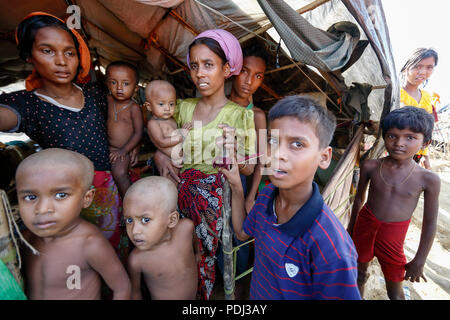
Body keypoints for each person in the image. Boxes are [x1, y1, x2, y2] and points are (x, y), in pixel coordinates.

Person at [0, 12, 126, 255]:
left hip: (105, 189)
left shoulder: (94, 93)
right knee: (77, 258)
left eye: (69, 52)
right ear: (29, 56)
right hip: (63, 197)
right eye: (47, 51)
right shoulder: (29, 104)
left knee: (111, 254)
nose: (61, 61)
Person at [220, 96, 361, 300]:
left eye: (297, 144)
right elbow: (242, 233)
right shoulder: (267, 195)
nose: (278, 153)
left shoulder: (331, 247)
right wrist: (235, 185)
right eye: (272, 140)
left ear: (324, 157)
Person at [150, 29, 256, 300]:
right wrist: (160, 155)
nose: (199, 73)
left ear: (227, 68)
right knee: (182, 253)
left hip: (218, 202)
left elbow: (249, 168)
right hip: (181, 198)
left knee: (214, 256)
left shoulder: (238, 115)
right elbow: (163, 139)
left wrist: (235, 156)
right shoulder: (182, 108)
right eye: (195, 66)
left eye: (209, 65)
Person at [347, 107, 440, 300]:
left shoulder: (428, 179)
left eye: (410, 137)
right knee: (359, 274)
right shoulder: (371, 166)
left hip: (393, 237)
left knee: (395, 290)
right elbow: (358, 200)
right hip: (364, 226)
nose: (399, 143)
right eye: (392, 136)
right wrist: (350, 231)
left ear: (426, 143)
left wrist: (420, 260)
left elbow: (430, 222)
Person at [16, 148, 131, 300]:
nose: (42, 209)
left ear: (87, 198)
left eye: (61, 195)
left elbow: (122, 287)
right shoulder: (24, 239)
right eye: (30, 197)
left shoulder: (89, 243)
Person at [217, 43, 268, 299]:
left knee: (241, 236)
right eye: (245, 72)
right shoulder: (216, 104)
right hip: (213, 181)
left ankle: (238, 289)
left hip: (243, 184)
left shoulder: (258, 115)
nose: (249, 81)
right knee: (215, 233)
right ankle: (218, 280)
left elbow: (261, 160)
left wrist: (251, 197)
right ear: (234, 70)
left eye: (258, 76)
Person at [123, 176, 197, 300]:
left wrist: (197, 254)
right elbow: (135, 293)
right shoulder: (137, 260)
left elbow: (194, 242)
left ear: (172, 220)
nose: (135, 231)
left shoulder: (186, 228)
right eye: (129, 220)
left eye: (145, 220)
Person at [105, 61, 143, 199]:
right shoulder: (107, 100)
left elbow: (138, 133)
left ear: (136, 88)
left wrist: (124, 150)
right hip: (107, 147)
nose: (119, 88)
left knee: (120, 172)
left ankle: (130, 200)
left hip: (124, 149)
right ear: (107, 84)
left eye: (126, 84)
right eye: (114, 82)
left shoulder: (133, 108)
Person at [399, 48, 439, 170]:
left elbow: (427, 131)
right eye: (418, 66)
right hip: (393, 151)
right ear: (406, 68)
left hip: (416, 155)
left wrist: (425, 156)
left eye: (429, 67)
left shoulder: (427, 97)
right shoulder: (394, 93)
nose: (422, 72)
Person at [144, 80, 191, 167]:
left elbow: (176, 136)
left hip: (180, 158)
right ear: (149, 106)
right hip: (168, 159)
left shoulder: (172, 119)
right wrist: (181, 136)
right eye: (161, 104)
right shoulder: (153, 124)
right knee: (170, 179)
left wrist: (183, 130)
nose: (167, 108)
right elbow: (162, 142)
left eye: (171, 104)